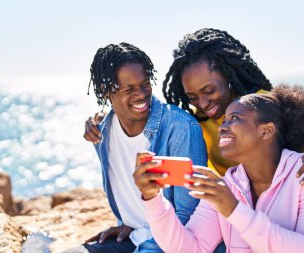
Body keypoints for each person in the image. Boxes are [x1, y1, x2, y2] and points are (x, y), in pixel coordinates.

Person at [83, 28, 304, 251]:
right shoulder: (196, 123)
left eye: (209, 91)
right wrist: (148, 205)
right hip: (229, 203)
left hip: (268, 205)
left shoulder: (262, 108)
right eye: (193, 97)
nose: (203, 103)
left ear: (228, 78)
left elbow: (298, 142)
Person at [134, 84, 304, 252]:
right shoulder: (227, 185)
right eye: (224, 121)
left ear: (266, 131)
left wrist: (234, 210)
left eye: (235, 118)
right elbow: (190, 248)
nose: (223, 127)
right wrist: (153, 199)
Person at [63, 43, 207, 253]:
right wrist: (128, 223)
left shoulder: (181, 129)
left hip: (169, 246)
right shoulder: (102, 133)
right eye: (129, 89)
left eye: (145, 85)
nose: (141, 95)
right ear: (106, 92)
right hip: (131, 238)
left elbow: (188, 218)